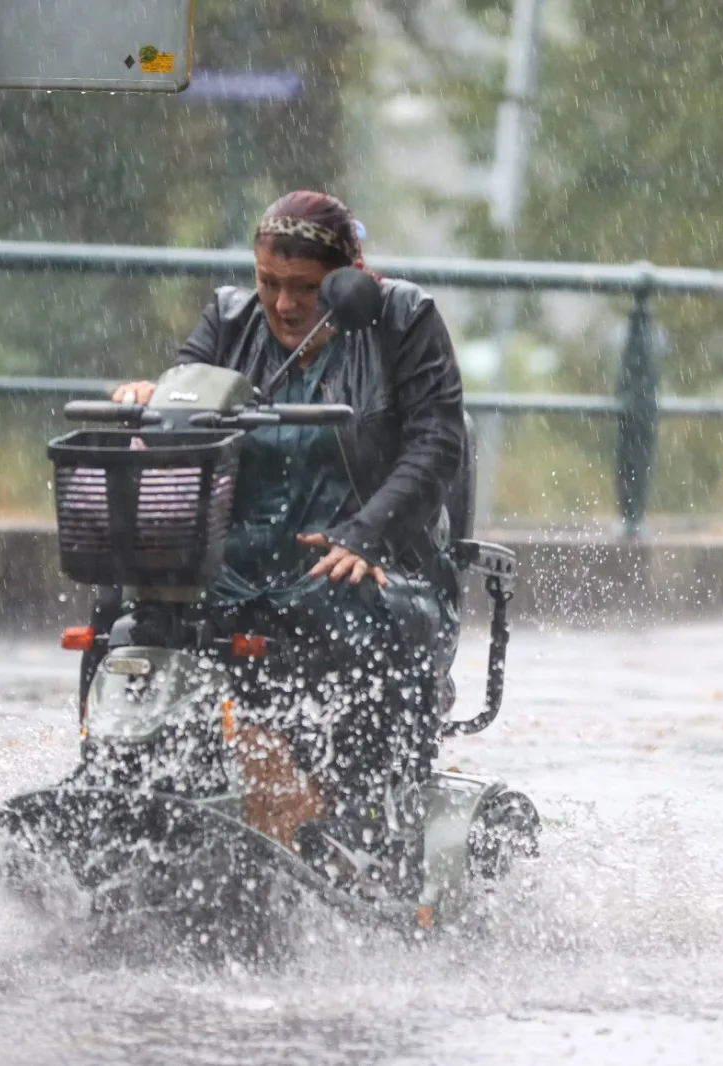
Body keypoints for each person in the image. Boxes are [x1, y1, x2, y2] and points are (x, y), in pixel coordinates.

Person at [104, 190, 467, 882]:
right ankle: (121, 798)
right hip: (237, 571)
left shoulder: (402, 320)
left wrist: (366, 536)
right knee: (130, 623)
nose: (283, 304)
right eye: (269, 282)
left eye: (303, 288)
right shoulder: (229, 319)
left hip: (376, 569)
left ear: (348, 279)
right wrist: (153, 400)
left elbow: (436, 446)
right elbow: (184, 404)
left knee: (356, 627)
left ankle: (358, 832)